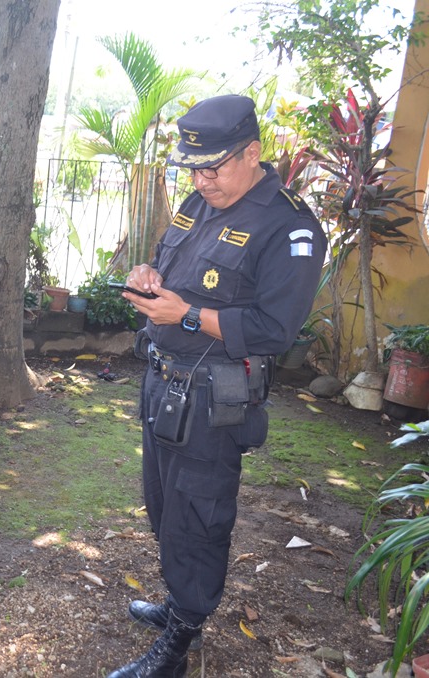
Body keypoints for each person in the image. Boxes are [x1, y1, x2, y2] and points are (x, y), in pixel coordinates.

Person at [106, 94, 327, 677]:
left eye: (214, 167)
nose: (202, 180)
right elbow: (167, 268)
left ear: (252, 152)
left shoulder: (288, 226)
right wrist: (144, 277)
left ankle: (179, 645)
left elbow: (276, 329)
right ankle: (182, 606)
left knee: (199, 515)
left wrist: (183, 316)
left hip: (215, 397)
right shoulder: (196, 204)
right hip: (165, 386)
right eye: (193, 169)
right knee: (164, 507)